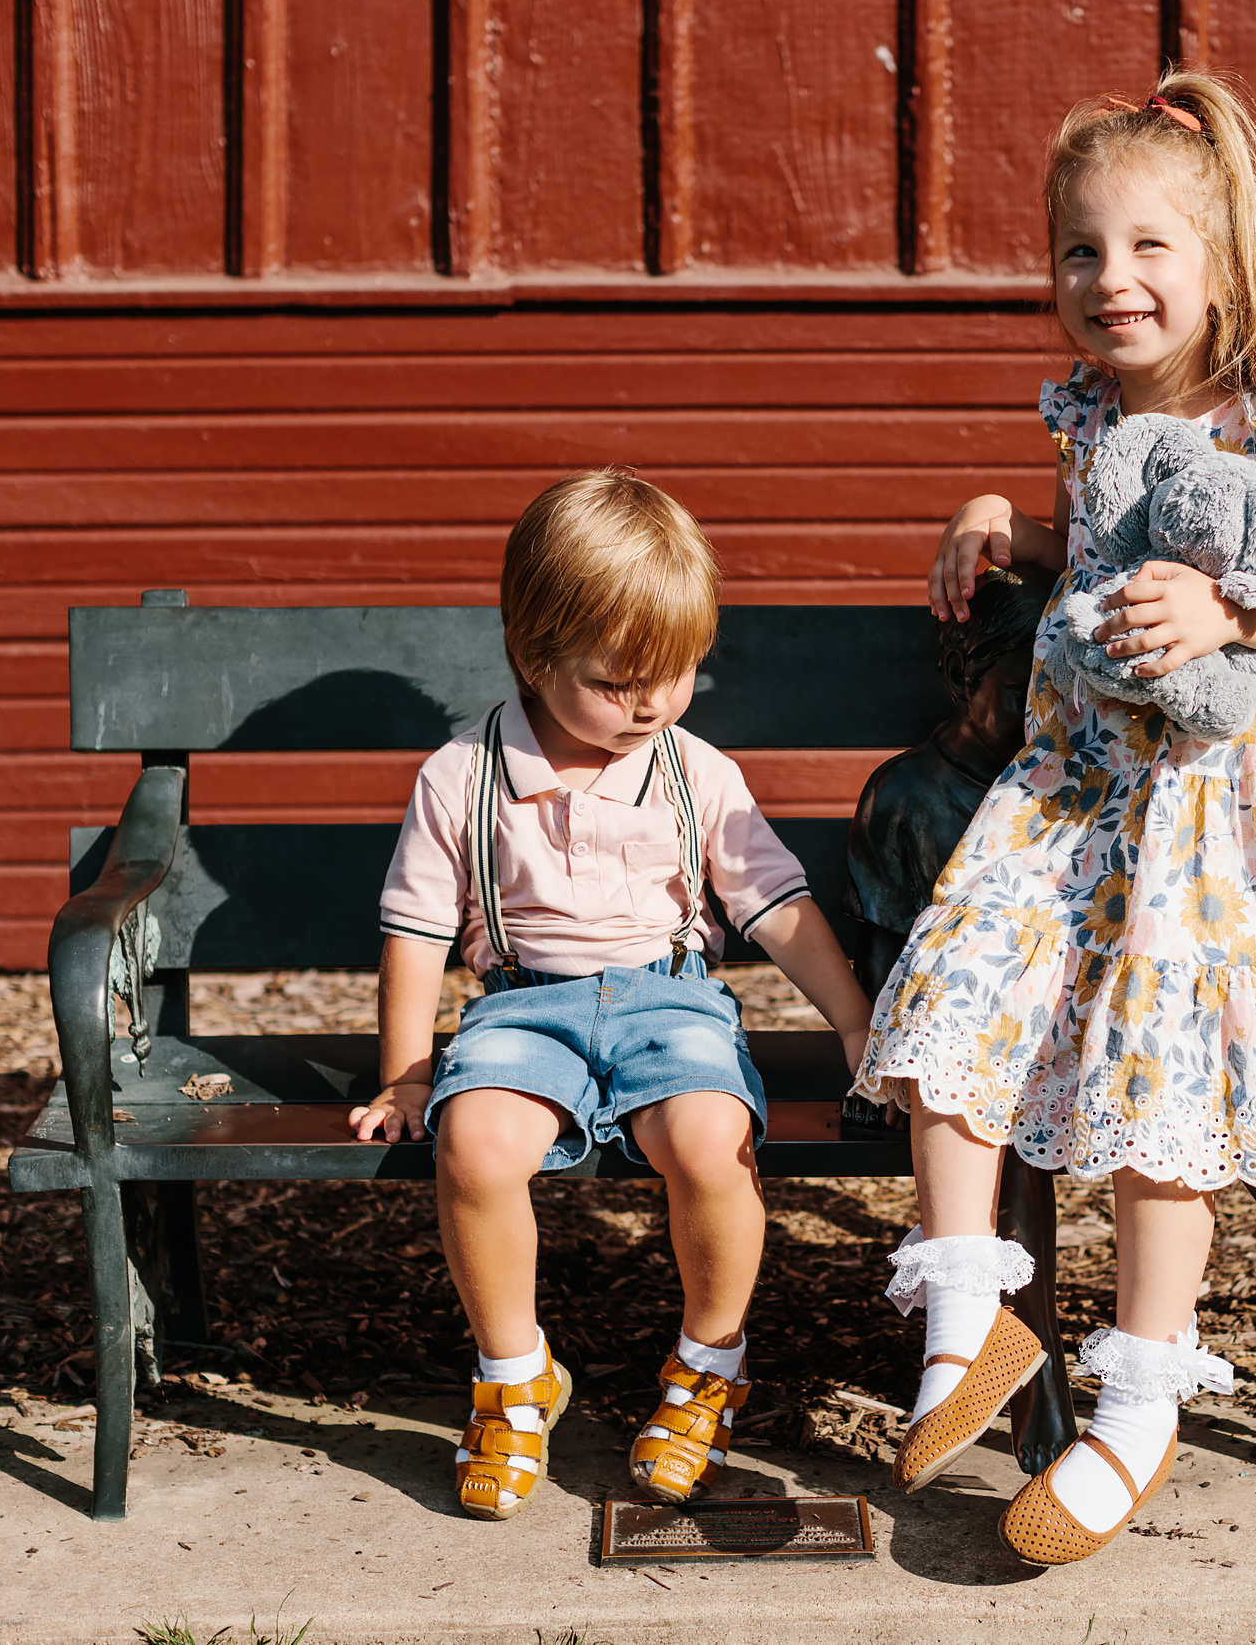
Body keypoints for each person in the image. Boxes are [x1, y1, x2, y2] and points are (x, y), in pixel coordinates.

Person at [853, 72, 1256, 1566]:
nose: (1111, 281)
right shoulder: (1087, 409)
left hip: (1221, 818)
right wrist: (1018, 521)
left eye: (1148, 248)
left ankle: (1141, 1394)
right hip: (1075, 792)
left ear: (1220, 264)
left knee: (1160, 1081)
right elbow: (1119, 533)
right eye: (1081, 250)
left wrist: (1233, 608)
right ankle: (967, 1318)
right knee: (946, 991)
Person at [350, 469, 876, 1523]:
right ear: (534, 654)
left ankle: (707, 1366)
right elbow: (411, 933)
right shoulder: (462, 775)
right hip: (519, 1008)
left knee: (710, 1140)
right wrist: (408, 1075)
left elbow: (774, 906)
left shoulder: (695, 771)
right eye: (619, 682)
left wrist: (860, 1027)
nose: (652, 704)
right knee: (475, 1146)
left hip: (671, 1005)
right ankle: (513, 1375)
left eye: (677, 674)